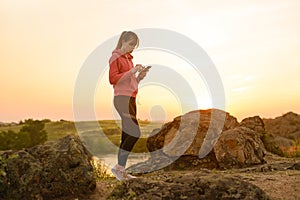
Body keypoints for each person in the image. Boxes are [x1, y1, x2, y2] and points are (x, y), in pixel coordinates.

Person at [108, 31, 149, 181]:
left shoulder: (129, 60)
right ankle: (119, 169)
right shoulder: (115, 57)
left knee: (127, 134)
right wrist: (131, 71)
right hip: (121, 99)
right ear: (123, 41)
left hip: (131, 98)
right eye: (131, 44)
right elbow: (113, 79)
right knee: (135, 132)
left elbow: (130, 84)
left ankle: (120, 170)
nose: (132, 48)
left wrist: (139, 77)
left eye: (134, 46)